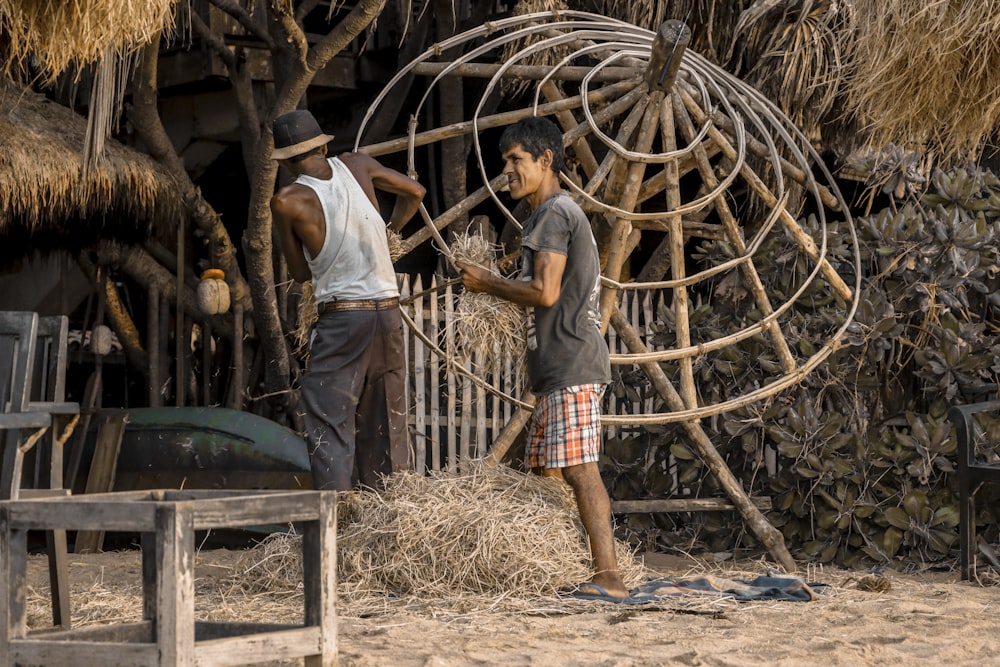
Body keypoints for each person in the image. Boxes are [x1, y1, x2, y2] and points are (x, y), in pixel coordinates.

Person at [456, 116, 628, 600]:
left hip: (572, 361)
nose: (506, 171)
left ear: (546, 160)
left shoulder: (555, 212)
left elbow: (544, 291)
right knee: (549, 474)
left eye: (515, 161)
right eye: (504, 162)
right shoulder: (542, 216)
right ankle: (564, 566)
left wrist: (485, 282)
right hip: (555, 367)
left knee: (579, 469)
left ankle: (609, 577)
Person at [270, 109, 426, 492]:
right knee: (386, 421)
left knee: (329, 417)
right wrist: (390, 232)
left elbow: (301, 273)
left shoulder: (287, 200)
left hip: (343, 320)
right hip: (387, 314)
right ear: (324, 146)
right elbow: (415, 192)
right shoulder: (356, 165)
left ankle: (336, 517)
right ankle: (387, 518)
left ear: (287, 161)